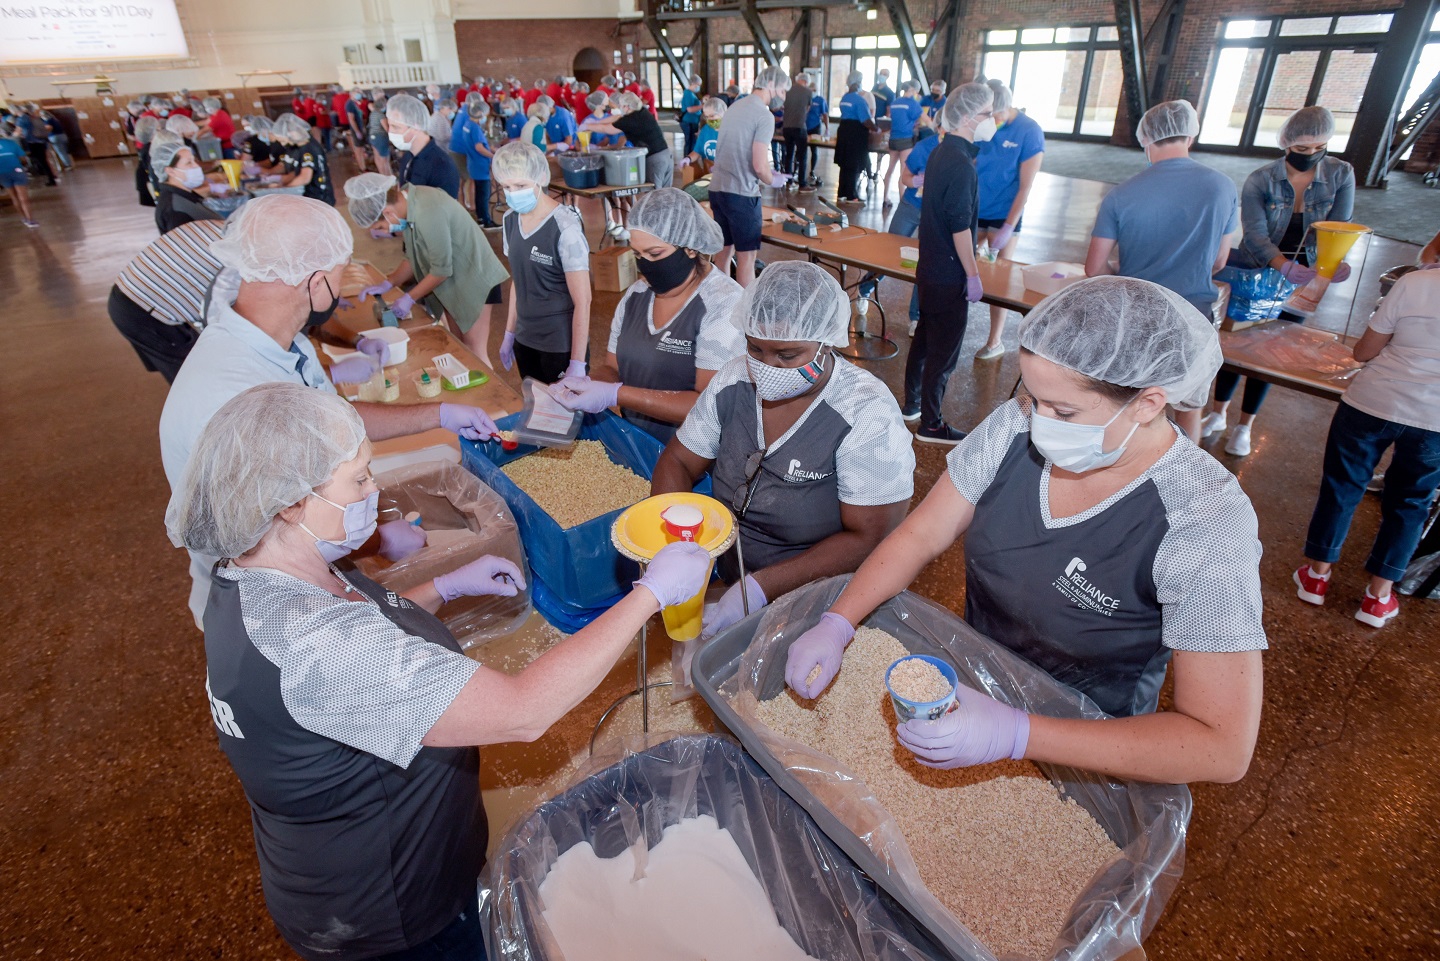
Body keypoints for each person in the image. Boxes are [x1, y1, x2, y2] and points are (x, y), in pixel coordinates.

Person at [168, 382, 710, 961]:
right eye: (358, 480)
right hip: (393, 905)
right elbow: (521, 711)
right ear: (290, 503)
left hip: (344, 857)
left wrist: (444, 587)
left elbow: (368, 628)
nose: (373, 491)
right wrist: (649, 594)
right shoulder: (314, 644)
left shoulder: (264, 571)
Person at [786, 277, 1266, 786]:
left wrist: (1017, 735)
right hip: (975, 682)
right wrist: (839, 621)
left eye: (1064, 412)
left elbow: (1220, 746)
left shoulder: (1204, 521)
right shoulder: (1012, 430)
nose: (1040, 422)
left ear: (1147, 404)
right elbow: (920, 535)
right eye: (1033, 397)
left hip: (1091, 745)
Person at [160, 194, 503, 627]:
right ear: (316, 281)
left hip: (299, 572)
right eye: (340, 273)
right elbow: (277, 534)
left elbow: (332, 422)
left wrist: (438, 413)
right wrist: (377, 540)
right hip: (266, 611)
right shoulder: (238, 396)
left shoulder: (276, 340)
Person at [652, 261, 915, 640]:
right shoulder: (734, 380)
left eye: (788, 355)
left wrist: (759, 588)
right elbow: (679, 459)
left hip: (812, 595)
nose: (767, 367)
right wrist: (674, 547)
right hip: (727, 574)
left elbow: (870, 539)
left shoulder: (865, 413)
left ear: (827, 341)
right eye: (755, 348)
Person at [1202, 106, 1356, 456]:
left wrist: (1333, 264)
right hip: (1258, 269)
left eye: (1319, 146)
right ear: (1286, 143)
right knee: (1239, 344)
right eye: (1302, 148)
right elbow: (1255, 233)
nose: (1311, 154)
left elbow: (1339, 226)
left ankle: (1246, 424)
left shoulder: (1341, 174)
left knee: (1275, 349)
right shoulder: (1262, 178)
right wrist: (1281, 264)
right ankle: (1219, 412)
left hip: (1305, 276)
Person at [1294, 266, 1440, 628]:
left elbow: (1364, 351)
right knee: (1411, 503)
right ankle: (1378, 597)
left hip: (1372, 402)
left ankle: (1316, 575)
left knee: (1342, 487)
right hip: (1434, 421)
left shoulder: (1414, 282)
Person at [1085, 100, 1237, 440]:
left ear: (1146, 140)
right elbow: (1218, 262)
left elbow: (1094, 267)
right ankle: (1182, 483)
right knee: (1188, 407)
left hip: (1136, 316)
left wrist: (1123, 271)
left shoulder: (1121, 194)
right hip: (1192, 315)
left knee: (1132, 403)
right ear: (1190, 136)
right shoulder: (1222, 187)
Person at [550, 188, 746, 443]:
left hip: (696, 453)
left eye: (655, 254)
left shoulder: (723, 304)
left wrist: (614, 395)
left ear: (689, 248)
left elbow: (707, 404)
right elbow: (612, 367)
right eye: (637, 254)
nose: (645, 265)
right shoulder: (636, 295)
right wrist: (584, 387)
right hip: (638, 441)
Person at [904, 83, 994, 445]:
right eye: (988, 114)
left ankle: (911, 404)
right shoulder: (962, 166)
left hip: (929, 269)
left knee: (925, 340)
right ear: (970, 118)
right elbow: (960, 228)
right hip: (947, 274)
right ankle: (932, 423)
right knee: (943, 352)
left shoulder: (941, 153)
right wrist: (972, 273)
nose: (993, 120)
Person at [344, 173, 510, 367]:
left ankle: (492, 397)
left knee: (474, 351)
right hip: (452, 281)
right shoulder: (410, 207)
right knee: (460, 348)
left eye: (381, 226)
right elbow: (412, 257)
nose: (384, 230)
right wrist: (389, 282)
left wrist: (409, 297)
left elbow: (441, 270)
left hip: (474, 279)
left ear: (388, 213)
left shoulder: (428, 210)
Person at [492, 142, 592, 383]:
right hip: (525, 339)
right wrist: (509, 333)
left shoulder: (564, 228)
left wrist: (577, 363)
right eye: (506, 186)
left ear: (541, 178)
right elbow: (519, 280)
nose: (513, 193)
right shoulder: (510, 221)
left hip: (558, 344)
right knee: (536, 410)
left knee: (565, 418)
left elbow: (583, 301)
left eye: (521, 185)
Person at [973, 79, 1046, 361]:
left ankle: (995, 340)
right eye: (987, 114)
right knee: (959, 264)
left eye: (995, 114)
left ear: (1006, 106)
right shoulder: (984, 125)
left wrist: (1007, 227)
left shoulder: (1029, 131)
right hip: (977, 207)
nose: (992, 120)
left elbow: (1026, 186)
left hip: (1005, 211)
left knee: (998, 278)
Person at [109, 220, 226, 381]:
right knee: (190, 377)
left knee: (196, 370)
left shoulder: (218, 227)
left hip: (128, 294)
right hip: (146, 311)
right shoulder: (238, 254)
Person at [710, 66, 792, 288]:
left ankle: (721, 306)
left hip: (718, 189)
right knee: (747, 259)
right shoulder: (764, 116)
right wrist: (772, 179)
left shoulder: (734, 107)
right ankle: (745, 316)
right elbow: (758, 164)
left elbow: (734, 150)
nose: (782, 99)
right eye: (783, 91)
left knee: (724, 253)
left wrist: (767, 169)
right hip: (742, 194)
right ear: (771, 85)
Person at [584, 91, 673, 188]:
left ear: (627, 107)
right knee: (666, 191)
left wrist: (587, 126)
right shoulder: (641, 112)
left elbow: (607, 129)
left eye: (621, 105)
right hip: (666, 154)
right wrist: (597, 122)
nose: (620, 108)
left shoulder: (630, 120)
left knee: (655, 192)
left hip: (655, 159)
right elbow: (617, 118)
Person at [387, 93, 460, 200]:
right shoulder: (408, 156)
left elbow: (445, 210)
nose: (390, 132)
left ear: (415, 126)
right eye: (389, 125)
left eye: (395, 127)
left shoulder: (442, 166)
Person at [149, 131, 224, 235]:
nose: (196, 166)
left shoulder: (183, 195)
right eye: (189, 163)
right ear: (171, 171)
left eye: (194, 161)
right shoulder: (175, 210)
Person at [274, 113, 335, 205]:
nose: (283, 144)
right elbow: (294, 171)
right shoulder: (298, 147)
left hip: (319, 196)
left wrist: (285, 189)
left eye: (283, 140)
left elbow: (305, 178)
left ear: (292, 134)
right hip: (310, 195)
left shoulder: (309, 149)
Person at [454, 97, 497, 227]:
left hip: (473, 163)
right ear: (479, 113)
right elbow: (479, 147)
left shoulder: (467, 124)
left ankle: (481, 218)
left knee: (479, 194)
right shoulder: (475, 128)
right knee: (483, 194)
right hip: (480, 164)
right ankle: (485, 220)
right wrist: (492, 155)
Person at [835, 72, 875, 205]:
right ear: (858, 83)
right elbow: (866, 120)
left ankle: (842, 193)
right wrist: (876, 129)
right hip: (855, 134)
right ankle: (852, 196)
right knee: (854, 165)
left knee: (844, 165)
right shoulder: (859, 100)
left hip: (844, 131)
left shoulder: (845, 98)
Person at [881, 80, 922, 204]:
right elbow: (924, 120)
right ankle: (902, 201)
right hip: (905, 140)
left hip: (893, 139)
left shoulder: (895, 102)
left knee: (889, 170)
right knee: (903, 172)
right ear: (914, 90)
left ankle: (885, 198)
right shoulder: (913, 104)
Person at [780, 73, 813, 186]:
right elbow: (807, 109)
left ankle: (788, 180)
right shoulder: (808, 92)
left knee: (789, 154)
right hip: (799, 126)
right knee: (802, 155)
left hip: (787, 127)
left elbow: (783, 107)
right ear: (806, 81)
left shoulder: (787, 91)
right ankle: (802, 182)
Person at [0, 128, 37, 227]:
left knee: (14, 197)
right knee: (23, 197)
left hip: (2, 174)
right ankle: (30, 220)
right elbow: (23, 158)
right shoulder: (10, 143)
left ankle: (23, 218)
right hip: (16, 170)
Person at [679, 97, 726, 170]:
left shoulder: (732, 131)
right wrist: (688, 158)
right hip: (709, 174)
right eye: (707, 117)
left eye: (712, 116)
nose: (709, 120)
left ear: (723, 113)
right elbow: (698, 150)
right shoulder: (705, 130)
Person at [16, 104, 56, 187]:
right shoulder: (36, 117)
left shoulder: (23, 118)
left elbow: (17, 132)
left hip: (32, 143)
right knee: (44, 161)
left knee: (40, 161)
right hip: (41, 141)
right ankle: (51, 177)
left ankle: (50, 178)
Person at [804, 83, 829, 187]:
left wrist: (827, 128)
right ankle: (798, 169)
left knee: (814, 150)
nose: (812, 91)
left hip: (815, 127)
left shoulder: (820, 100)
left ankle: (812, 170)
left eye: (814, 90)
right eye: (811, 89)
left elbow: (825, 115)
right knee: (802, 149)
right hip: (804, 126)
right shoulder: (805, 99)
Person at [367, 90, 391, 176]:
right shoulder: (381, 115)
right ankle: (387, 176)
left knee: (377, 156)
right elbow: (386, 128)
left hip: (372, 136)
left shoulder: (373, 113)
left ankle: (381, 175)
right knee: (384, 159)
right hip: (380, 137)